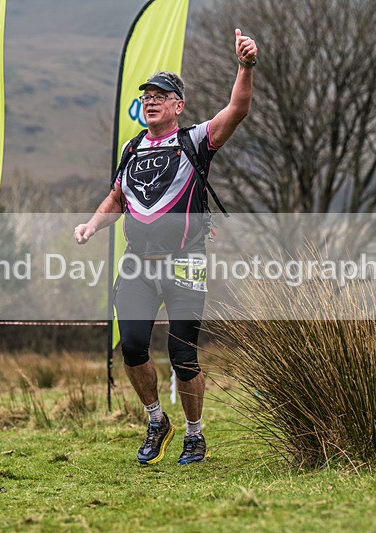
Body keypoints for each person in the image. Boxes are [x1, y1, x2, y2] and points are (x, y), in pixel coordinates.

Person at [74, 29, 257, 465]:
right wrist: (91, 225)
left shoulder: (194, 141)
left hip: (186, 261)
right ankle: (157, 420)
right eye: (147, 95)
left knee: (182, 354)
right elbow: (118, 198)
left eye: (161, 94)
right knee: (133, 345)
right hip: (137, 264)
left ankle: (195, 434)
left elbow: (238, 108)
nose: (151, 100)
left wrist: (245, 67)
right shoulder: (132, 147)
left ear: (178, 105)